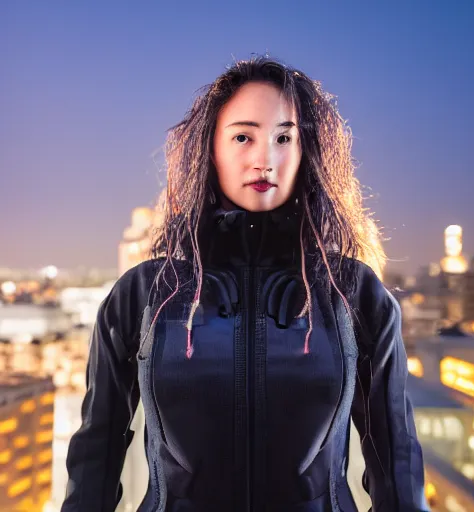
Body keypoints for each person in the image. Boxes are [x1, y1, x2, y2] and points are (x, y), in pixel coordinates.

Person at [62, 56, 430, 512]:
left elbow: (396, 456)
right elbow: (95, 451)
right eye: (243, 136)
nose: (264, 159)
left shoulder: (353, 292)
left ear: (305, 151)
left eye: (283, 138)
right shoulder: (145, 294)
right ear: (210, 149)